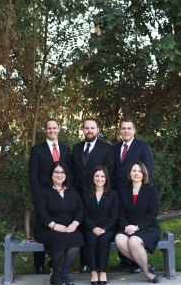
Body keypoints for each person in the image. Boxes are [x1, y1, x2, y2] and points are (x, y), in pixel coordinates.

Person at [72, 117, 114, 273]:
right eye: (86, 128)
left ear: (98, 130)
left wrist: (107, 194)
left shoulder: (106, 148)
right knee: (82, 226)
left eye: (92, 128)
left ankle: (97, 263)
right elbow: (73, 171)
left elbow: (110, 172)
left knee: (96, 227)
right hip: (78, 194)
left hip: (98, 194)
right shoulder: (76, 148)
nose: (89, 130)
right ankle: (84, 262)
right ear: (83, 130)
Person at [29, 119, 71, 274]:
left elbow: (69, 173)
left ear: (59, 129)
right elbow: (32, 176)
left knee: (62, 226)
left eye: (55, 128)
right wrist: (37, 196)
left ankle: (54, 262)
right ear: (45, 130)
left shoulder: (66, 150)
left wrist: (68, 191)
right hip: (43, 195)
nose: (52, 130)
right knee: (42, 225)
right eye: (49, 128)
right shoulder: (37, 150)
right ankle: (39, 265)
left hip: (61, 194)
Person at [113, 117, 154, 273]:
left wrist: (144, 193)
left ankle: (137, 263)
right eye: (123, 128)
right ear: (120, 130)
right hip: (119, 194)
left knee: (134, 227)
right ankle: (126, 261)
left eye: (129, 128)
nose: (126, 131)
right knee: (121, 226)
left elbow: (148, 171)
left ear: (134, 130)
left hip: (136, 193)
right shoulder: (115, 148)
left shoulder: (143, 147)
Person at [34, 161, 84, 285]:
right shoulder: (43, 190)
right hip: (47, 228)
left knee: (77, 237)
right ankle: (55, 274)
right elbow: (40, 210)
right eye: (56, 172)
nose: (59, 175)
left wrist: (75, 224)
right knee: (60, 239)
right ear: (51, 174)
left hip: (68, 227)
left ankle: (64, 272)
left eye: (62, 172)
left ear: (66, 175)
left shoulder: (72, 191)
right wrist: (54, 225)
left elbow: (80, 209)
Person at [115, 161, 161, 283]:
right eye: (134, 171)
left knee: (134, 241)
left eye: (139, 171)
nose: (136, 173)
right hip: (128, 226)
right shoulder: (124, 191)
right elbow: (121, 213)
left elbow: (153, 215)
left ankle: (146, 272)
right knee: (119, 240)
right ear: (129, 174)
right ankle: (146, 264)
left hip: (147, 227)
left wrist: (137, 227)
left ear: (143, 174)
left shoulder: (151, 190)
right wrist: (126, 226)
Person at [83, 165, 119, 284]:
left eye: (102, 176)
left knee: (104, 239)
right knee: (92, 239)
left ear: (106, 178)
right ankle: (93, 272)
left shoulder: (113, 194)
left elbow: (115, 216)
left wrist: (105, 229)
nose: (99, 179)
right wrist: (93, 227)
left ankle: (103, 272)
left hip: (107, 229)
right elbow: (84, 215)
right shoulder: (86, 194)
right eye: (97, 176)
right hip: (90, 228)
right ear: (93, 177)